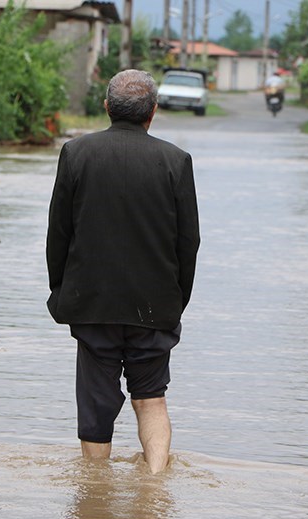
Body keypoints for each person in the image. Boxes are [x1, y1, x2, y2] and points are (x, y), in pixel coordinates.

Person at [46, 69, 201, 474]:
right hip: (154, 306)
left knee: (96, 406)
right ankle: (153, 489)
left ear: (106, 108)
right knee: (151, 399)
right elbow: (189, 243)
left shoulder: (76, 154)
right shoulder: (175, 161)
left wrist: (62, 293)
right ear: (153, 111)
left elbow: (58, 233)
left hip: (92, 303)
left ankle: (95, 497)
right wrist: (175, 302)